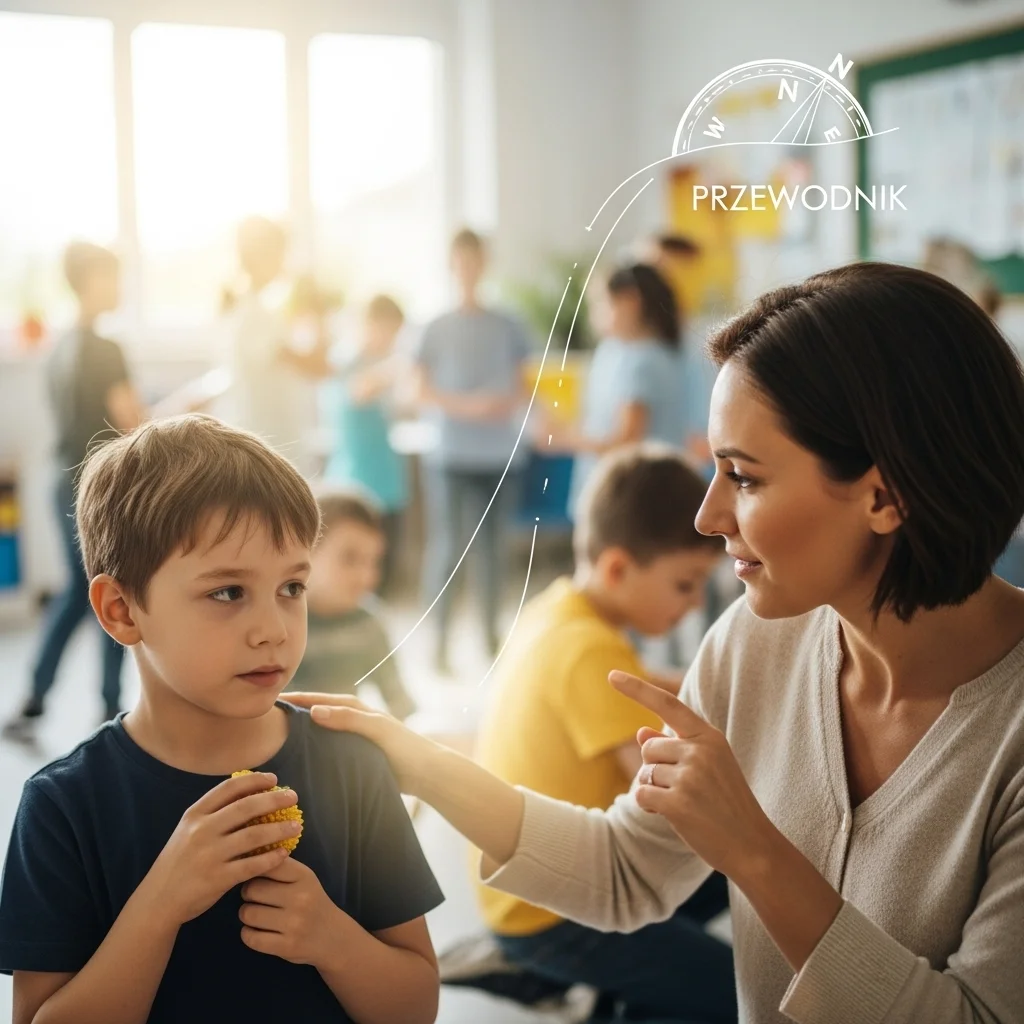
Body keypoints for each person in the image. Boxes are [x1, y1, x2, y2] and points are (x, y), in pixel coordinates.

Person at [290, 262, 1024, 1024]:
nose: (708, 516)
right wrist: (422, 765)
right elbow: (626, 870)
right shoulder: (752, 643)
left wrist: (757, 854)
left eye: (743, 477)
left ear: (884, 495)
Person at [0, 415, 442, 1023]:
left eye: (292, 587)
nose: (274, 630)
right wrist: (162, 902)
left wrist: (332, 940)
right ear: (122, 610)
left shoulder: (353, 767)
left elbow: (415, 1008)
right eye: (228, 593)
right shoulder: (64, 807)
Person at [467, 444, 733, 1022]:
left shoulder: (560, 613)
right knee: (734, 993)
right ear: (617, 568)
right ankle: (591, 989)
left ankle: (610, 982)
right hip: (551, 913)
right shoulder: (591, 650)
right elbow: (660, 786)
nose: (692, 608)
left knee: (727, 877)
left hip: (519, 887)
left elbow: (646, 681)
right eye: (685, 585)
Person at [3, 242, 144, 741]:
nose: (119, 287)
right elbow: (131, 423)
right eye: (112, 276)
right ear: (90, 281)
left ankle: (39, 700)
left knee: (86, 592)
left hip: (60, 479)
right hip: (96, 485)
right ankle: (103, 709)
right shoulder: (105, 349)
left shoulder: (60, 346)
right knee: (109, 590)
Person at [414, 228, 531, 672]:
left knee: (493, 551)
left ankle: (490, 640)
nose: (468, 268)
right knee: (447, 550)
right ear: (451, 264)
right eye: (460, 259)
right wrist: (467, 405)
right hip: (450, 457)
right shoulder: (433, 327)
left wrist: (497, 404)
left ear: (485, 263)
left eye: (475, 259)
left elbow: (525, 384)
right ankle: (438, 645)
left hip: (500, 455)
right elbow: (419, 390)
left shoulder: (508, 324)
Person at [554, 263, 687, 520]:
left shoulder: (644, 361)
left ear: (629, 302)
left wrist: (561, 438)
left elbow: (627, 441)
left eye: (599, 303)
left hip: (633, 499)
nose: (593, 315)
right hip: (622, 494)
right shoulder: (616, 352)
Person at [284, 488, 415, 721]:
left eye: (373, 561)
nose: (365, 577)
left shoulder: (369, 624)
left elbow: (399, 703)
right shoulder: (279, 623)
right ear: (305, 553)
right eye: (349, 558)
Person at [219, 216, 332, 476]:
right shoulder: (253, 315)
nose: (285, 260)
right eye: (282, 252)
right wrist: (318, 310)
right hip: (270, 445)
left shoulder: (258, 310)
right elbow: (318, 367)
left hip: (273, 442)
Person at [323, 295, 409, 593]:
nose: (393, 340)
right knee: (354, 578)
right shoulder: (343, 362)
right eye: (391, 331)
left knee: (384, 575)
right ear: (372, 324)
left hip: (388, 485)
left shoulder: (380, 364)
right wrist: (397, 367)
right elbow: (358, 391)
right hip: (354, 484)